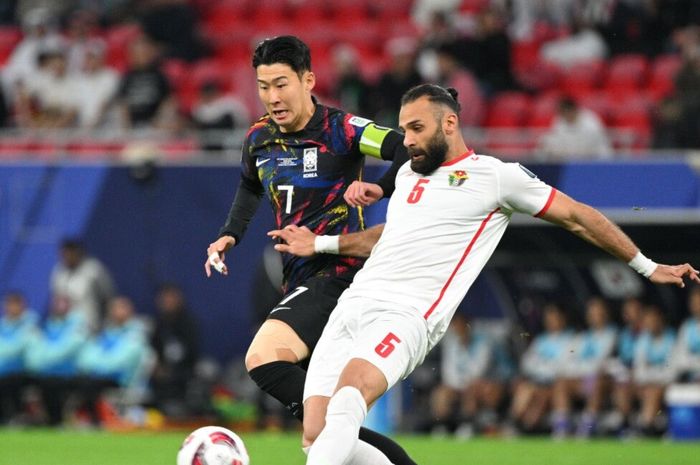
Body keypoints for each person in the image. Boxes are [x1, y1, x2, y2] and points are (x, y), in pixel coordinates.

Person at [268, 83, 699, 465]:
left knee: (350, 398)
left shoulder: (495, 177)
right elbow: (390, 236)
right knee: (317, 434)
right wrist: (321, 244)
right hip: (354, 305)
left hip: (405, 315)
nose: (408, 141)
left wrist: (645, 265)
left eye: (417, 129)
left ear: (450, 123)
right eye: (404, 130)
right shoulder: (406, 176)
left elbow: (577, 217)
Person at [203, 36, 414, 465]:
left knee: (264, 357)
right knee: (322, 438)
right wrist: (230, 234)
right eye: (263, 87)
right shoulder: (259, 137)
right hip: (298, 279)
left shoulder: (344, 130)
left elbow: (404, 149)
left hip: (341, 274)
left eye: (281, 84)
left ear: (308, 80)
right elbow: (249, 186)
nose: (272, 97)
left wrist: (381, 187)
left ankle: (332, 418)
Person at [50, 238, 115, 331]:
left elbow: (108, 296)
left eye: (70, 254)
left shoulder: (94, 269)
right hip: (65, 327)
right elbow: (56, 299)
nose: (67, 257)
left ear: (79, 253)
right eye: (64, 254)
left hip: (89, 324)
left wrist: (106, 321)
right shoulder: (58, 271)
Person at [0, 291, 38, 424]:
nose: (12, 308)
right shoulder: (3, 324)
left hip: (23, 370)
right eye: (9, 304)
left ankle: (17, 416)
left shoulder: (30, 324)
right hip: (3, 370)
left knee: (10, 382)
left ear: (22, 306)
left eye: (15, 304)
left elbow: (18, 347)